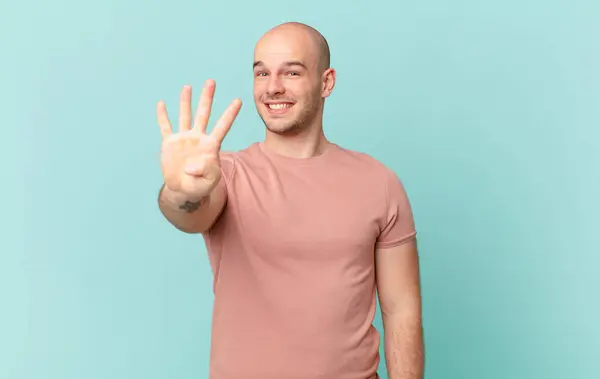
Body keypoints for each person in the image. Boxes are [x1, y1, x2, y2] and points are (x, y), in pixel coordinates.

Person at [156, 21, 424, 379]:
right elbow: (188, 214)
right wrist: (182, 192)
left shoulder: (380, 183)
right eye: (261, 73)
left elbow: (402, 310)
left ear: (326, 82)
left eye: (291, 72)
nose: (273, 87)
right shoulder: (226, 174)